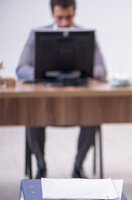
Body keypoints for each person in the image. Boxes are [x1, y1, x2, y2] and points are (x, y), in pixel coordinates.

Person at [16, 0, 106, 179]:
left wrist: (82, 70)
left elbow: (101, 69)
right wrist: (44, 71)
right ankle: (41, 167)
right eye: (60, 17)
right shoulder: (36, 35)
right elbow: (21, 68)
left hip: (78, 97)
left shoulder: (87, 36)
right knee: (33, 116)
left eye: (69, 17)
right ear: (52, 14)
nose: (65, 22)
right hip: (46, 98)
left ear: (74, 13)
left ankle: (78, 167)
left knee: (93, 116)